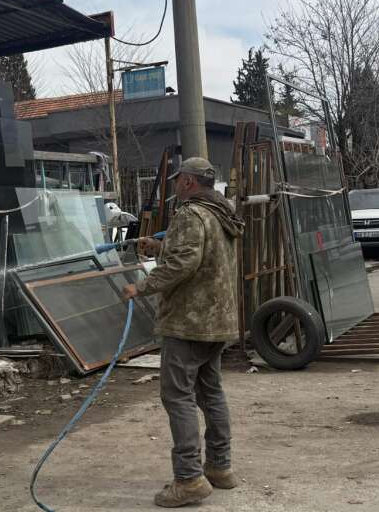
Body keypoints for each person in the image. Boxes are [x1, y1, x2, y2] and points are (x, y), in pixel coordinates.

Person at [121, 157, 244, 508]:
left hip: (189, 323)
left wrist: (142, 287)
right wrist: (158, 247)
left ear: (189, 182)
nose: (174, 186)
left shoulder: (190, 215)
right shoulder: (221, 214)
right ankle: (219, 468)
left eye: (178, 181)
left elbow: (184, 263)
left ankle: (189, 479)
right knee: (211, 393)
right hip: (217, 321)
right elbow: (199, 256)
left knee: (178, 397)